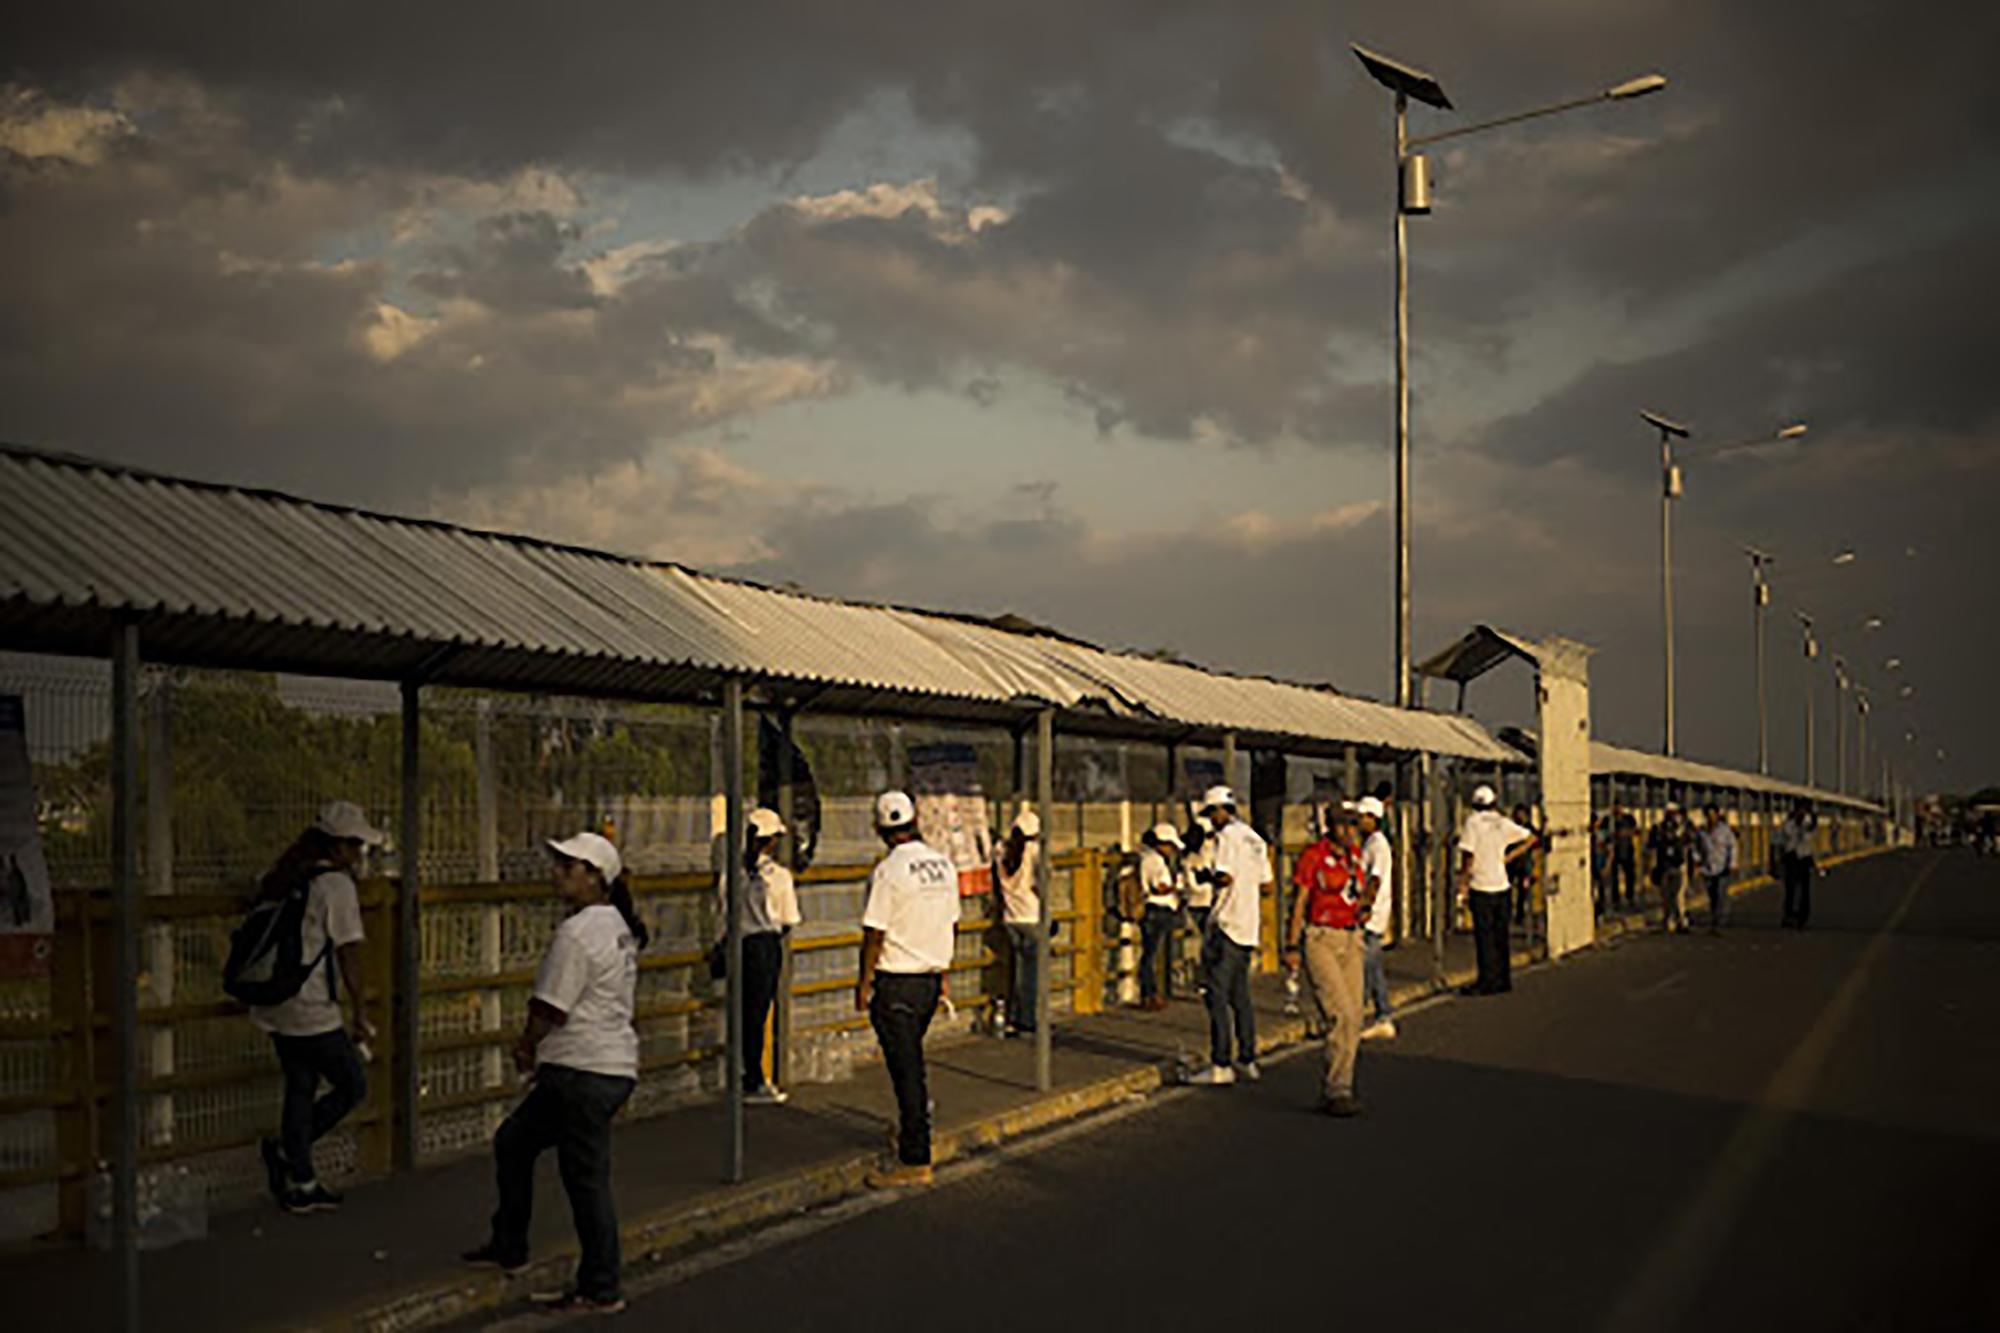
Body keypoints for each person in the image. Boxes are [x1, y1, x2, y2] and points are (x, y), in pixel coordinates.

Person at [464, 830, 646, 1315]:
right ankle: (510, 1244)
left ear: (596, 878)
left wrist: (526, 1046)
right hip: (606, 1065)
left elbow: (550, 1006)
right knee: (517, 1143)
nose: (558, 874)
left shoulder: (579, 933)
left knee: (583, 1176)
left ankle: (601, 1284)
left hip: (579, 1067)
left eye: (570, 867)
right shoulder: (617, 927)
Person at [253, 801, 382, 1215]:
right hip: (311, 1007)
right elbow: (348, 953)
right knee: (352, 1085)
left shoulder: (285, 876)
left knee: (301, 1085)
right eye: (356, 844)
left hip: (275, 1003)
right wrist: (360, 1011)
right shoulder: (336, 886)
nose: (360, 853)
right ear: (339, 846)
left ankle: (302, 1181)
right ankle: (290, 1151)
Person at [856, 790, 959, 1187]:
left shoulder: (888, 871)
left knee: (908, 1071)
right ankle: (910, 1130)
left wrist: (864, 981)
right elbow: (950, 922)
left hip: (897, 982)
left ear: (880, 829)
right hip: (930, 981)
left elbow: (874, 932)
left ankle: (915, 1157)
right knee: (910, 1062)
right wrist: (943, 970)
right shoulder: (943, 865)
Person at [1284, 802, 1374, 1116]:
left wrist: (1365, 905)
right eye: (1343, 825)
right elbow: (1301, 900)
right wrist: (1292, 944)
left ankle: (1340, 1084)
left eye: (1353, 825)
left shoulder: (1354, 858)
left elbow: (1358, 893)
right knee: (1340, 1012)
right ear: (1330, 827)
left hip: (1350, 935)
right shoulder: (1314, 856)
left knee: (1356, 1017)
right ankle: (1338, 1089)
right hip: (1321, 936)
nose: (1349, 831)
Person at [1188, 786, 1273, 1086]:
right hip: (1249, 927)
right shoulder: (1255, 838)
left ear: (1222, 810)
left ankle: (1221, 1061)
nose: (1211, 820)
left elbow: (1225, 876)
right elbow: (1267, 886)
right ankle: (1248, 1058)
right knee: (1241, 998)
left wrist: (1205, 875)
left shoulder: (1226, 837)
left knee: (1216, 995)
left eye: (1212, 813)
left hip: (1226, 924)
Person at [719, 807, 801, 1104]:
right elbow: (788, 919)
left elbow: (724, 913)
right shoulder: (778, 876)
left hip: (740, 945)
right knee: (759, 1013)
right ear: (771, 840)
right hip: (766, 946)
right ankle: (754, 1078)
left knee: (743, 1013)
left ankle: (745, 1073)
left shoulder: (733, 873)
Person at [1455, 786, 1533, 996]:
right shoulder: (1502, 822)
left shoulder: (1472, 822)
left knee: (1484, 938)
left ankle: (1486, 980)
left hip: (1481, 885)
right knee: (1501, 936)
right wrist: (1508, 857)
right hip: (1502, 885)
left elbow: (1468, 854)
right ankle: (1503, 978)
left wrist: (1463, 880)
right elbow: (1530, 837)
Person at [994, 808, 1042, 1038]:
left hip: (1010, 918)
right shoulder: (1034, 852)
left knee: (1016, 971)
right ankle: (1028, 1021)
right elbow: (1041, 884)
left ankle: (1012, 1018)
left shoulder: (1001, 851)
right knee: (1031, 975)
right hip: (1032, 916)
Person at [1356, 796, 1397, 1040]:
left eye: (1363, 817)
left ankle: (1381, 1014)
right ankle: (1379, 1014)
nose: (1360, 822)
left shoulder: (1378, 845)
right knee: (1370, 967)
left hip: (1373, 915)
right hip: (1371, 913)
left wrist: (1366, 906)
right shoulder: (1370, 842)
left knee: (1367, 967)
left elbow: (1375, 878)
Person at [1136, 823, 1184, 1010]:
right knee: (1153, 955)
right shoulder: (1155, 861)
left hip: (1154, 910)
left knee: (1152, 953)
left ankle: (1152, 992)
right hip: (1158, 908)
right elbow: (1159, 886)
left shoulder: (1147, 858)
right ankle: (1151, 994)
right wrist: (1177, 887)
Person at [1648, 803, 1693, 933]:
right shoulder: (1659, 829)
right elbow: (1652, 846)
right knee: (1666, 896)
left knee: (1679, 896)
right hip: (1664, 865)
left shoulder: (1683, 829)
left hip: (1679, 865)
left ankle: (1681, 920)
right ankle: (1669, 920)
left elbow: (1688, 846)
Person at [1696, 805, 1739, 934]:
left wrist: (1732, 863)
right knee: (1712, 895)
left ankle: (1719, 921)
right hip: (1708, 867)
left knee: (1720, 894)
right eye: (1708, 815)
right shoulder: (1702, 831)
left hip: (1722, 867)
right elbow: (1697, 847)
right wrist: (1697, 860)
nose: (1710, 818)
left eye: (1713, 814)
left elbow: (1733, 847)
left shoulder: (1725, 831)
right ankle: (1715, 916)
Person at [1776, 802, 1818, 929]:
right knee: (1791, 888)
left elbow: (1811, 835)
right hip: (1791, 857)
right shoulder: (1788, 825)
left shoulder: (1807, 825)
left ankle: (1802, 916)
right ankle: (1789, 914)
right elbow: (1782, 841)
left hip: (1804, 858)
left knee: (1804, 889)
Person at [1508, 802, 1540, 928]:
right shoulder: (1511, 827)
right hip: (1512, 863)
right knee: (1508, 889)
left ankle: (1519, 915)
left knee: (1523, 889)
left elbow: (1536, 839)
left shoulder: (1528, 828)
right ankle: (1509, 913)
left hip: (1524, 864)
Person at [1610, 804, 1640, 912]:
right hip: (1615, 852)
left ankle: (1630, 897)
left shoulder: (1629, 818)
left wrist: (1626, 833)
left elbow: (1636, 831)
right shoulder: (1610, 820)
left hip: (1628, 851)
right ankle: (1616, 900)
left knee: (1630, 875)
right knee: (1614, 878)